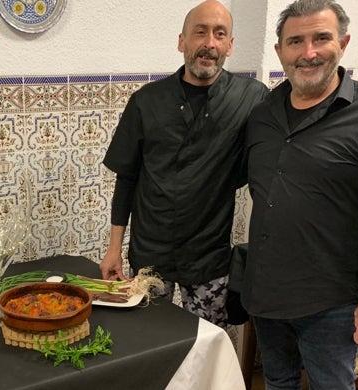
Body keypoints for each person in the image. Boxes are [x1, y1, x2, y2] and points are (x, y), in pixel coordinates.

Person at [100, 0, 268, 328]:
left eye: (220, 34)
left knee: (205, 345)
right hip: (151, 254)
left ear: (230, 46)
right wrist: (113, 249)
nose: (209, 43)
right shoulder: (146, 102)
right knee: (149, 342)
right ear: (182, 41)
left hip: (209, 258)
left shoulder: (251, 98)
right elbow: (127, 178)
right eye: (200, 32)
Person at [243, 0, 358, 388]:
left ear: (343, 43)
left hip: (333, 303)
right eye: (296, 41)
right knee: (278, 383)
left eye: (321, 38)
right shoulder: (262, 113)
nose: (308, 52)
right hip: (267, 293)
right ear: (280, 51)